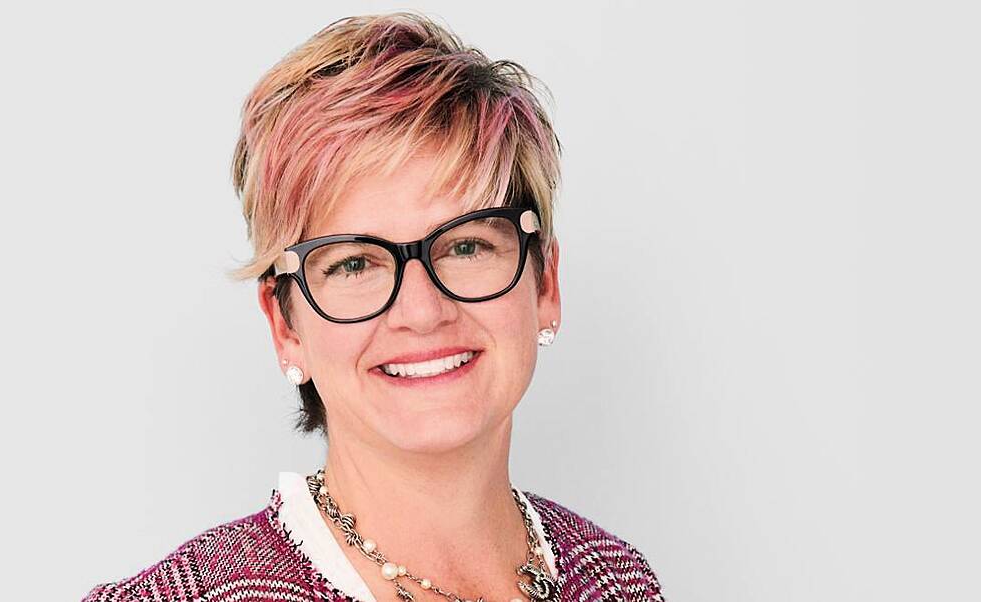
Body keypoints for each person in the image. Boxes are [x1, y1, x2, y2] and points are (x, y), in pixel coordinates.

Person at [82, 11, 664, 602]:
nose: (421, 309)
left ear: (545, 285)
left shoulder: (618, 579)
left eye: (466, 245)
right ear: (286, 326)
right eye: (354, 263)